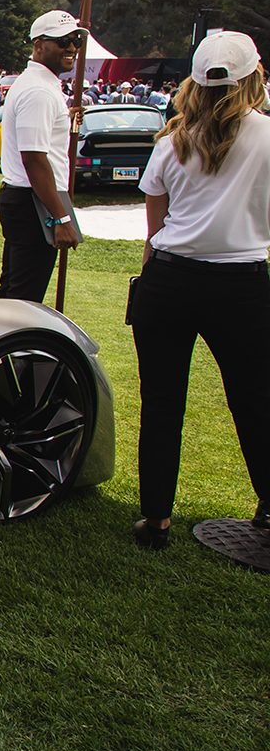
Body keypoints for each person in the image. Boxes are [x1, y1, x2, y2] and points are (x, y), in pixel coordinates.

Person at [129, 31, 270, 550]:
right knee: (256, 401)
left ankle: (156, 520)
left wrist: (147, 287)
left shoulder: (171, 141)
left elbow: (155, 229)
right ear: (253, 76)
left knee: (162, 403)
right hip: (243, 285)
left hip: (169, 280)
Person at [0, 11, 84, 302]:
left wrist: (63, 118)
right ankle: (12, 347)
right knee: (24, 300)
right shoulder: (39, 91)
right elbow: (34, 159)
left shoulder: (39, 86)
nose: (71, 47)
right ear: (39, 45)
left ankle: (4, 345)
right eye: (63, 41)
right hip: (33, 200)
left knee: (13, 293)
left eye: (76, 40)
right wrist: (61, 217)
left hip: (27, 198)